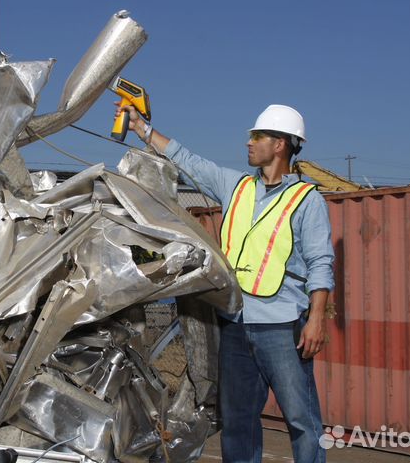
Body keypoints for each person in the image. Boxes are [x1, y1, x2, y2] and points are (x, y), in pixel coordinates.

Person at [116, 103, 335, 462]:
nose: (249, 143)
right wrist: (142, 129)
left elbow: (321, 262)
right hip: (235, 326)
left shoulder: (306, 201)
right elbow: (188, 160)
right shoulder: (237, 186)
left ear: (280, 144)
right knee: (238, 421)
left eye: (257, 136)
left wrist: (316, 318)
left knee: (302, 421)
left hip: (282, 329)